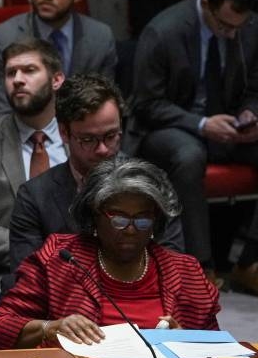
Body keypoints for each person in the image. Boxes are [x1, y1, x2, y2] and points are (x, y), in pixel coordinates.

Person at [0, 157, 220, 350]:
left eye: (143, 220)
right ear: (95, 215)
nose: (131, 230)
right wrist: (50, 328)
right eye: (118, 219)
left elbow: (221, 352)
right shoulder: (61, 259)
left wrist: (187, 344)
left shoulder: (185, 271)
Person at [129, 0, 258, 290]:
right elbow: (146, 104)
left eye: (237, 27)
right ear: (206, 4)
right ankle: (201, 265)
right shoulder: (163, 31)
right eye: (224, 25)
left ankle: (250, 260)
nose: (231, 34)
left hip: (228, 125)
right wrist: (201, 124)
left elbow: (255, 87)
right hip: (170, 126)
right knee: (188, 154)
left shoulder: (248, 26)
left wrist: (250, 114)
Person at [10, 75, 185, 272]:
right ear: (64, 134)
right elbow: (26, 278)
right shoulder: (34, 197)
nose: (102, 149)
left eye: (111, 136)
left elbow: (173, 264)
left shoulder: (154, 184)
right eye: (88, 139)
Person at [0, 38, 65, 303]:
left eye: (29, 70)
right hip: (8, 275)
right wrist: (49, 255)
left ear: (56, 80)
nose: (18, 79)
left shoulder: (79, 137)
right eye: (10, 73)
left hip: (79, 274)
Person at [0, 0, 117, 124]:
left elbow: (101, 106)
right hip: (22, 137)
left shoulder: (100, 38)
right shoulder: (3, 37)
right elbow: (1, 114)